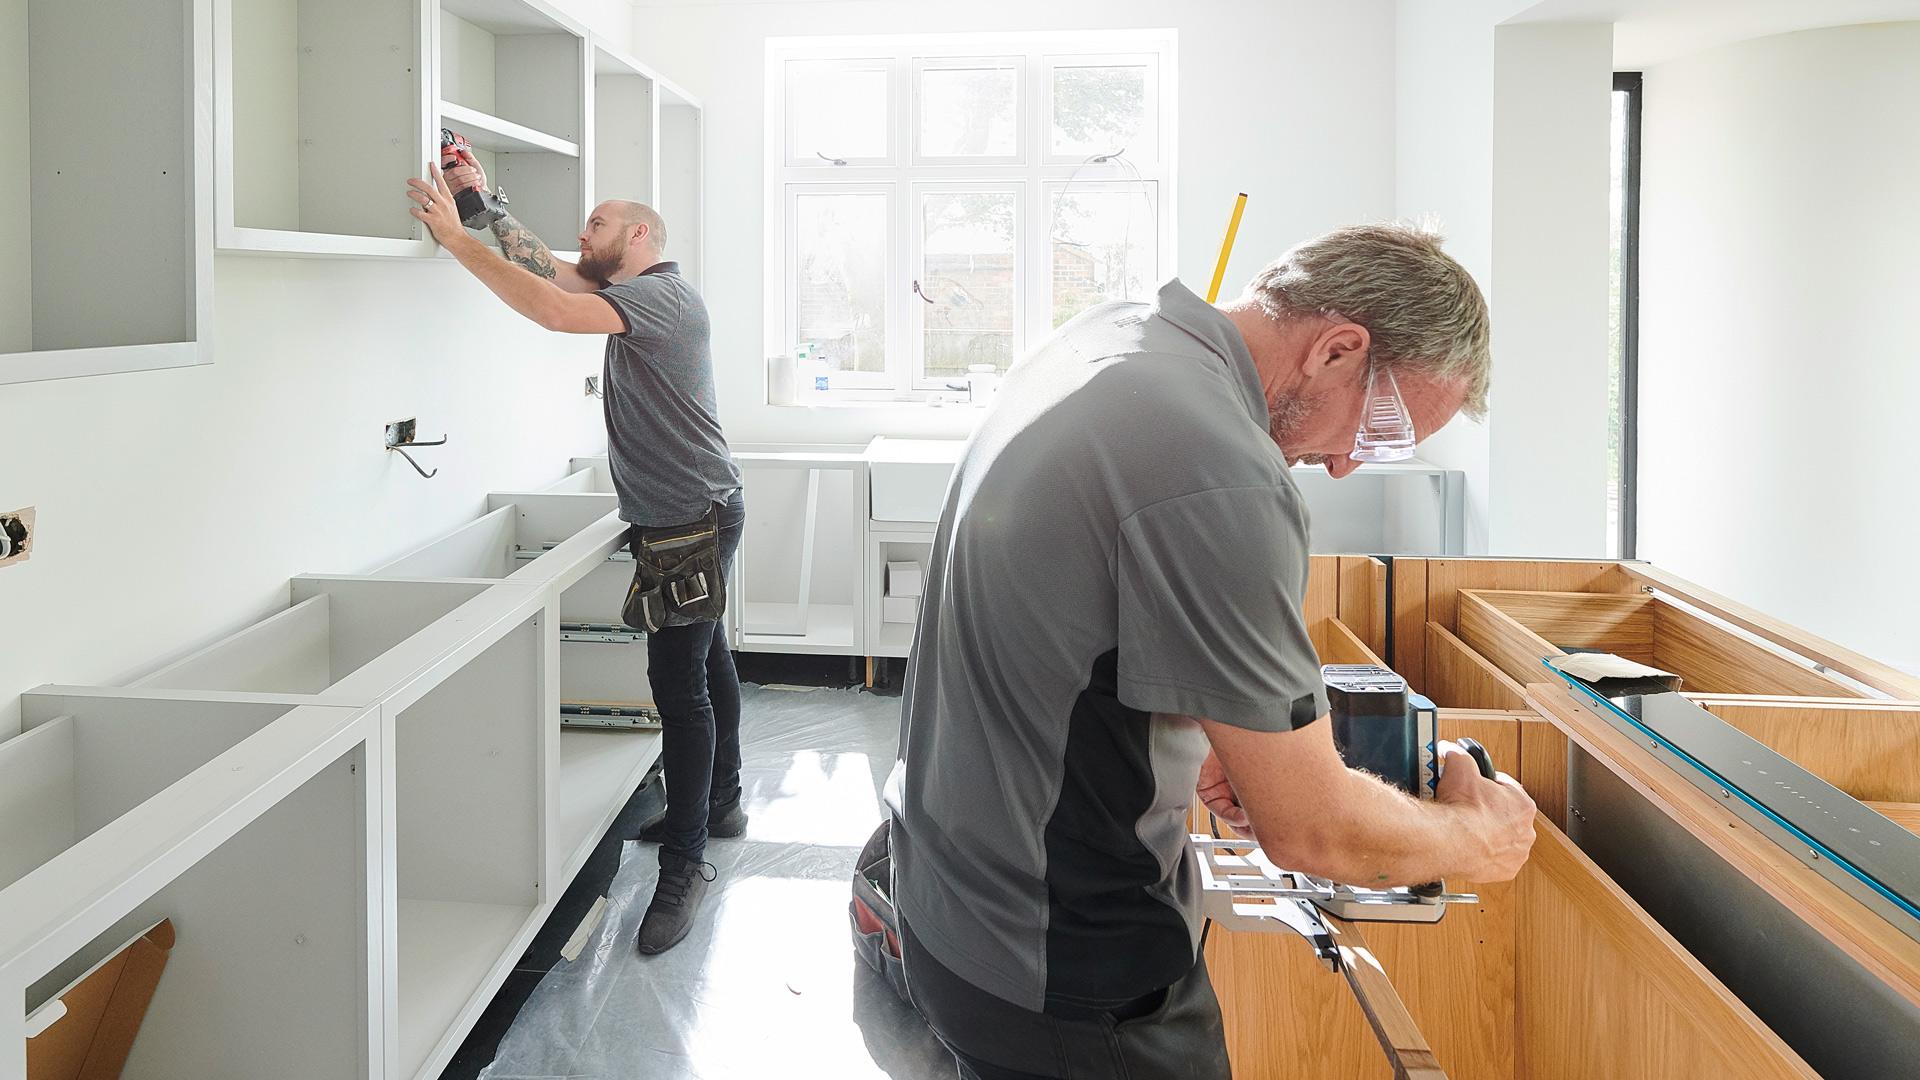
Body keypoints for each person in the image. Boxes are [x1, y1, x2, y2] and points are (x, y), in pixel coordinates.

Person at [884, 222, 1539, 1078]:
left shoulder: (1114, 337)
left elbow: (1071, 597)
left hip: (953, 908)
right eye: (1377, 429)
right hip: (1071, 972)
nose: (1346, 464)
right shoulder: (1220, 470)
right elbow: (1314, 832)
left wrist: (1200, 733)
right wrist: (1474, 839)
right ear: (1338, 349)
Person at [406, 162, 745, 956]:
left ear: (638, 236)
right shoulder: (632, 291)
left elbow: (556, 310)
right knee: (709, 657)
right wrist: (483, 203)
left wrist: (455, 242)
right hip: (692, 510)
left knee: (679, 685)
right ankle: (721, 801)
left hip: (690, 520)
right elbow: (550, 270)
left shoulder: (661, 297)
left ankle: (687, 862)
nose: (581, 236)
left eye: (595, 224)